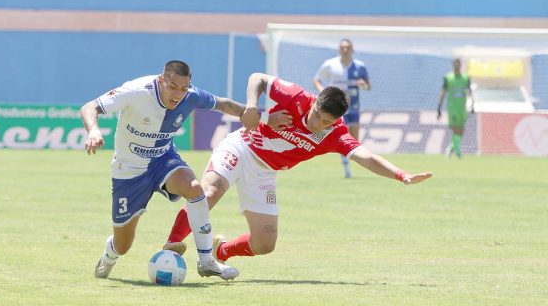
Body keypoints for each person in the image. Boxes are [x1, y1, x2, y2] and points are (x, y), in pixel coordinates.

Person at [163, 72, 432, 265]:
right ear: (314, 102)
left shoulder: (335, 135)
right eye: (317, 115)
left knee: (265, 244)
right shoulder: (296, 96)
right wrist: (254, 107)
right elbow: (258, 78)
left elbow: (366, 156)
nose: (317, 124)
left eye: (326, 122)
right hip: (241, 147)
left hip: (264, 172)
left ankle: (221, 252)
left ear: (336, 121)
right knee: (210, 192)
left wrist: (401, 175)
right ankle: (171, 247)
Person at [81, 60, 249, 281]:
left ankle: (207, 261)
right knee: (123, 244)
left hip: (162, 159)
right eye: (173, 86)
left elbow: (223, 104)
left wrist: (262, 117)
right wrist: (94, 131)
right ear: (161, 80)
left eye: (184, 88)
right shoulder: (137, 91)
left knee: (194, 188)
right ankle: (109, 254)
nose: (178, 94)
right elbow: (89, 107)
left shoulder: (191, 95)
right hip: (129, 170)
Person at [313, 38, 370, 178]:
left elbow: (368, 86)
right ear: (338, 49)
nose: (345, 50)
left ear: (352, 50)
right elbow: (317, 79)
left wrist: (364, 85)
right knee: (341, 137)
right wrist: (323, 91)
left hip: (354, 107)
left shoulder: (359, 66)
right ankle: (346, 169)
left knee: (355, 139)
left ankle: (349, 164)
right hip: (337, 108)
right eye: (343, 47)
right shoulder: (330, 64)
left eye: (348, 47)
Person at [437, 58, 474, 158]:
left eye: (458, 63)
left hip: (462, 107)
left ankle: (452, 147)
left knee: (461, 130)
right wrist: (439, 106)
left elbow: (470, 91)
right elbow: (443, 92)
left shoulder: (465, 78)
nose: (457, 65)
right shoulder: (448, 78)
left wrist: (472, 103)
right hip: (452, 107)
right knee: (454, 128)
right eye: (455, 63)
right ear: (453, 64)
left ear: (460, 65)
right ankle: (456, 148)